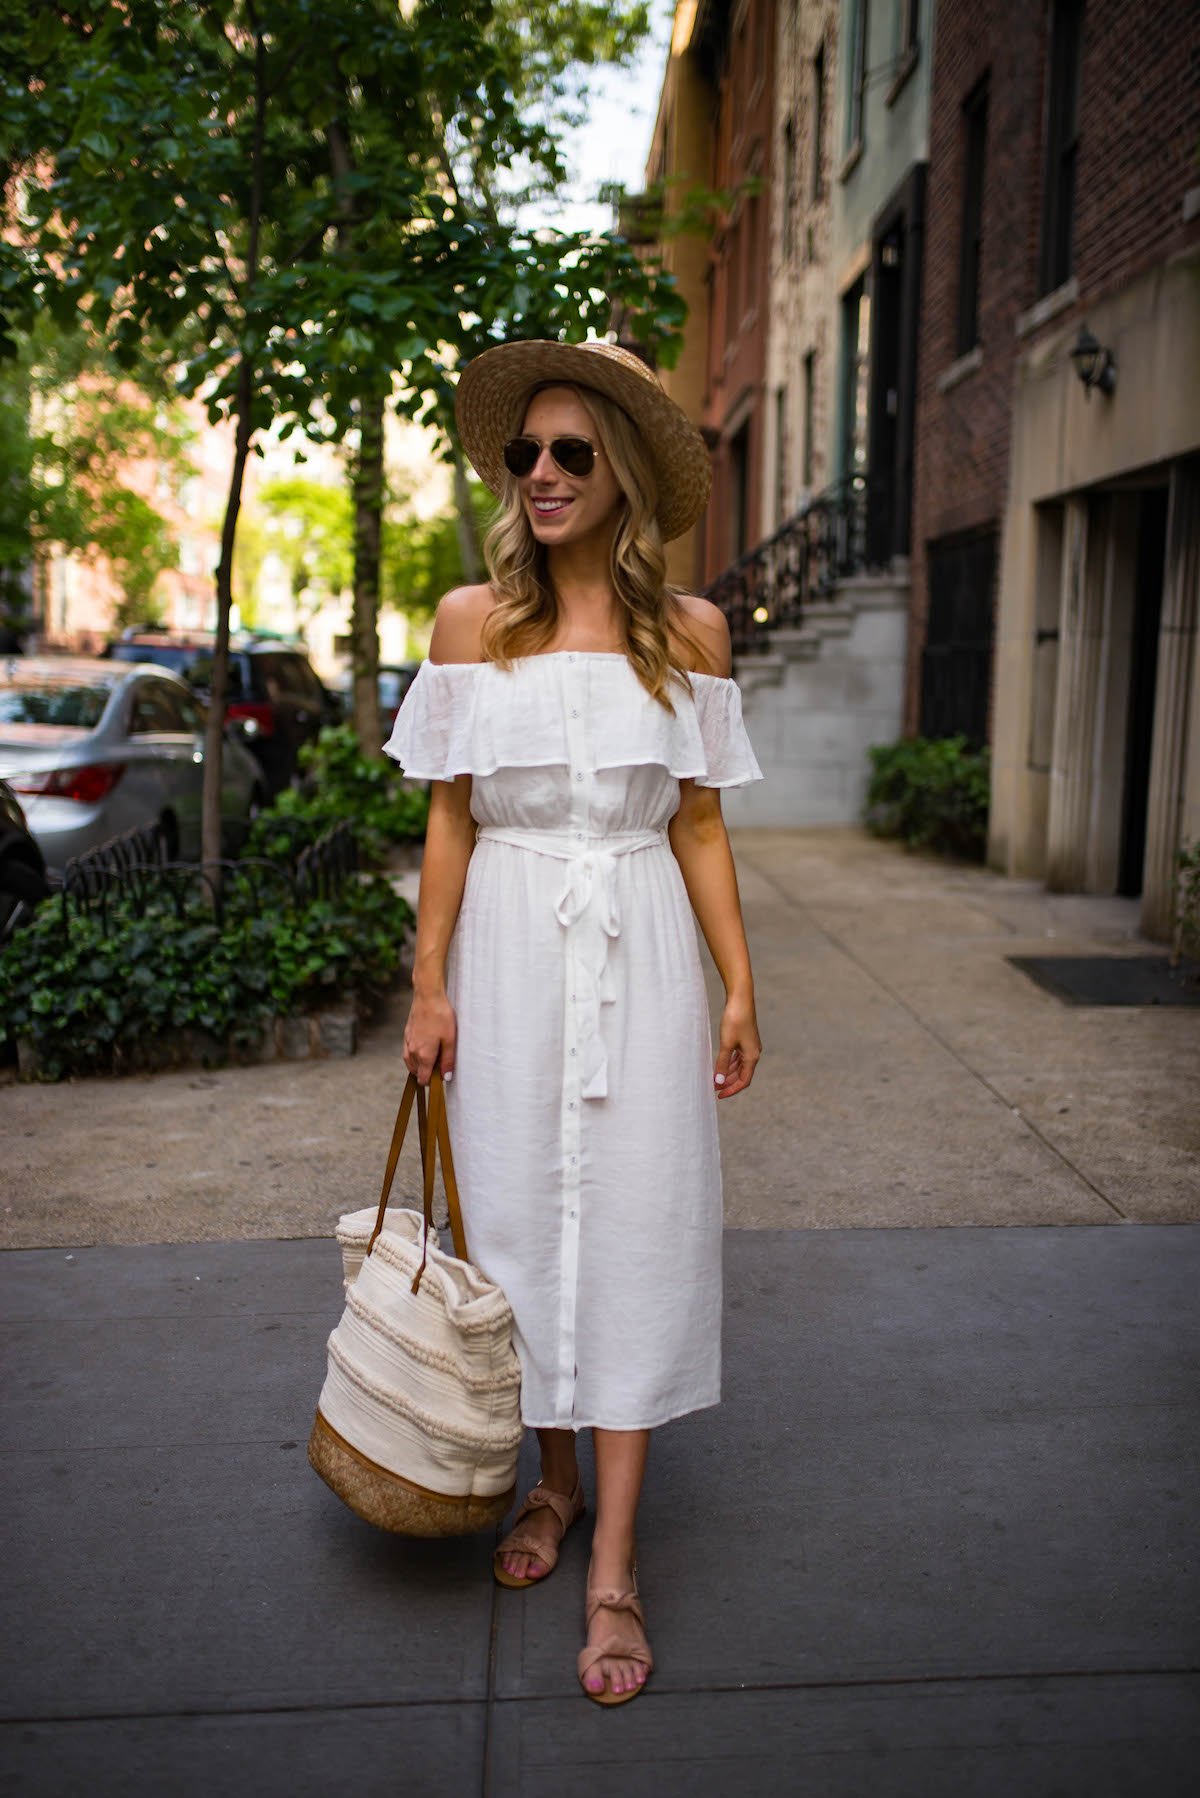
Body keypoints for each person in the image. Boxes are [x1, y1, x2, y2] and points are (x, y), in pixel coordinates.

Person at [385, 338, 763, 1707]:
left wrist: (738, 978)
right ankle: (545, 1483)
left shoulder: (694, 635)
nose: (540, 475)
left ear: (622, 478)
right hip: (505, 945)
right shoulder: (470, 621)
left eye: (569, 455)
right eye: (522, 455)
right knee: (519, 1218)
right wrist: (427, 983)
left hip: (643, 944)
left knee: (641, 1216)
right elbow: (446, 815)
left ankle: (613, 1554)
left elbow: (705, 823)